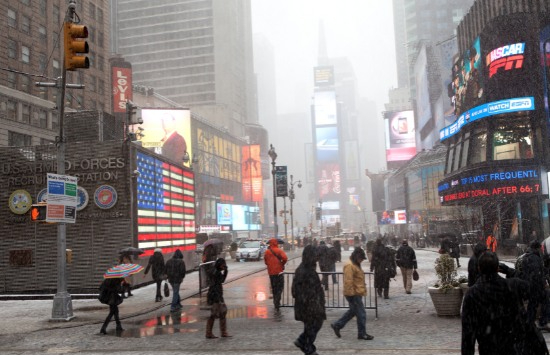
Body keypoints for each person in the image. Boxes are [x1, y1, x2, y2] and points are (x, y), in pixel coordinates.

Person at [461, 251, 538, 355]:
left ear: (479, 268)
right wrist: (510, 271)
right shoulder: (513, 285)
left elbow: (468, 334)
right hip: (514, 346)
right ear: (498, 268)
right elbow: (535, 287)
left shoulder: (472, 294)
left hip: (488, 348)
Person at [330, 247, 374, 341]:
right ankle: (362, 334)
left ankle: (337, 325)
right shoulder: (350, 265)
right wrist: (351, 294)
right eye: (361, 258)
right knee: (361, 313)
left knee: (353, 311)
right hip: (353, 293)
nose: (362, 260)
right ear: (357, 257)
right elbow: (348, 281)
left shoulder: (355, 264)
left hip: (356, 292)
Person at [292, 245, 326, 355]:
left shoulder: (310, 269)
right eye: (315, 255)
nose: (317, 258)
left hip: (313, 306)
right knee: (313, 326)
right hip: (308, 307)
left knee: (313, 326)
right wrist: (309, 301)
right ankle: (307, 347)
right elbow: (296, 291)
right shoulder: (303, 271)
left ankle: (304, 343)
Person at [516, 240, 548, 328]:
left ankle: (530, 322)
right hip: (535, 286)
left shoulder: (527, 256)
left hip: (529, 285)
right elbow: (536, 273)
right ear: (537, 248)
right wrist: (543, 283)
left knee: (533, 304)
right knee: (544, 300)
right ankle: (542, 321)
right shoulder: (534, 258)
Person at [206, 258, 230, 338]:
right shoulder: (217, 273)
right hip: (216, 295)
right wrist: (225, 272)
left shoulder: (214, 271)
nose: (224, 267)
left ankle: (215, 332)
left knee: (219, 313)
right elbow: (221, 281)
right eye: (223, 265)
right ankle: (213, 333)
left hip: (214, 295)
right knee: (218, 313)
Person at [264, 238, 288, 311]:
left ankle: (275, 301)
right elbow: (285, 258)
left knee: (274, 287)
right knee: (280, 287)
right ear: (276, 243)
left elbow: (265, 261)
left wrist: (270, 265)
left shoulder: (267, 252)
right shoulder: (279, 250)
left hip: (271, 273)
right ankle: (278, 299)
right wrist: (281, 263)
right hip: (279, 272)